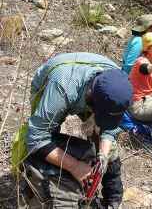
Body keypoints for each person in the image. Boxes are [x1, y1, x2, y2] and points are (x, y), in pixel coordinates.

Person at [24, 52, 133, 208]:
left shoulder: (119, 88)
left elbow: (109, 131)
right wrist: (74, 166)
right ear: (91, 98)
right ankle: (32, 180)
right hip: (53, 83)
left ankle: (113, 198)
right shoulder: (62, 89)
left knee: (106, 147)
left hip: (93, 95)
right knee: (45, 142)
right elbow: (36, 137)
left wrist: (103, 155)